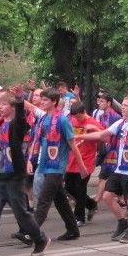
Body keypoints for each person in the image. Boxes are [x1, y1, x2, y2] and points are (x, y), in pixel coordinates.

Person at [0, 86, 51, 256]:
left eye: (3, 103)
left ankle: (40, 238)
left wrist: (21, 100)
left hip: (14, 178)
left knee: (22, 215)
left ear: (12, 107)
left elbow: (21, 119)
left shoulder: (17, 125)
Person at [76, 96, 128, 243]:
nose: (123, 107)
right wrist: (78, 135)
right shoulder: (120, 123)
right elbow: (102, 134)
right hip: (120, 168)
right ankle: (122, 222)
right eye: (123, 105)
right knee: (107, 196)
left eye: (127, 105)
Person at [30, 89, 87, 242]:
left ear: (54, 102)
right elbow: (37, 142)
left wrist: (81, 166)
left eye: (45, 100)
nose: (42, 102)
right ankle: (72, 230)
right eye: (41, 100)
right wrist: (31, 160)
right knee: (60, 200)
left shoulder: (62, 120)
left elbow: (72, 144)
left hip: (57, 166)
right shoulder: (43, 120)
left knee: (44, 199)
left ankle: (32, 233)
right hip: (46, 164)